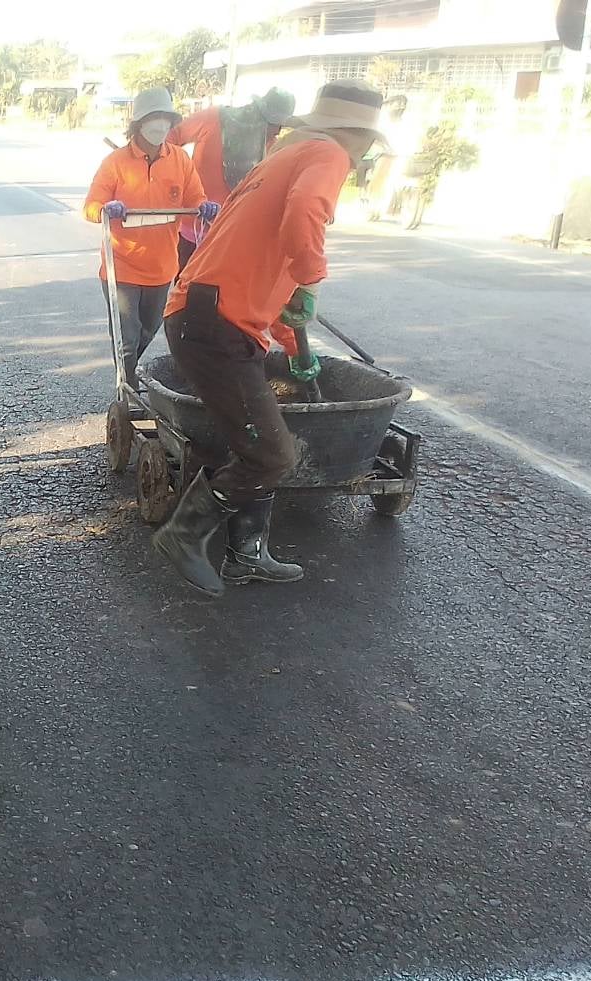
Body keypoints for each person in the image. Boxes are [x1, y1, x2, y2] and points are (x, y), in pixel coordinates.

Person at [152, 80, 387, 597]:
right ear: (357, 136)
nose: (367, 153)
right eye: (369, 141)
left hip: (207, 315)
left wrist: (292, 341)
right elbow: (304, 214)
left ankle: (246, 555)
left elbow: (264, 265)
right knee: (273, 455)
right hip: (214, 322)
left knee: (255, 441)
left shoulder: (282, 159)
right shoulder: (328, 154)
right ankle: (184, 533)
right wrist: (311, 278)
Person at [85, 88, 217, 393]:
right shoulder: (115, 163)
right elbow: (90, 206)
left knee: (148, 330)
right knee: (126, 338)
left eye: (165, 118)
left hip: (161, 268)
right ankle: (127, 389)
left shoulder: (180, 160)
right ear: (139, 123)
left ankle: (128, 375)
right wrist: (106, 209)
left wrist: (204, 207)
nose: (160, 125)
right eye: (154, 118)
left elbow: (195, 198)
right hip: (122, 268)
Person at [167, 88, 296, 270]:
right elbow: (169, 139)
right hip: (194, 231)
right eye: (275, 124)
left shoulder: (272, 147)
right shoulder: (214, 118)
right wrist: (176, 180)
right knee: (185, 285)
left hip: (234, 238)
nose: (278, 131)